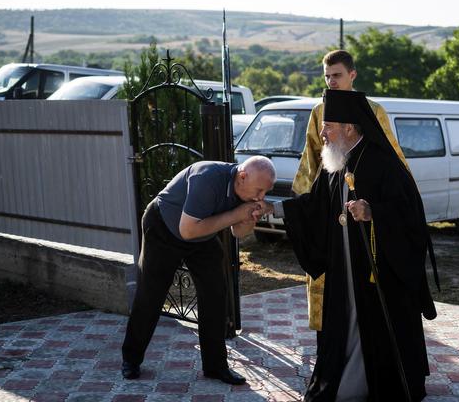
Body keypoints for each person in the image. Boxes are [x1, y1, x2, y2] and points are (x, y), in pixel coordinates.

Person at [268, 89, 437, 401]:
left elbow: (411, 215)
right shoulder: (337, 163)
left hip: (379, 276)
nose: (322, 132)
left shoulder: (384, 164)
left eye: (328, 126)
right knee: (345, 323)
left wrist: (373, 212)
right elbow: (314, 206)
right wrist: (276, 209)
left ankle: (377, 387)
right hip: (344, 270)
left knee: (379, 333)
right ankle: (346, 382)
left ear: (348, 127)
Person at [121, 156, 276, 385]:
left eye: (265, 192)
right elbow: (187, 231)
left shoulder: (244, 189)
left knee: (215, 294)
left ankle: (215, 366)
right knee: (151, 294)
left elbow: (238, 233)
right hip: (164, 227)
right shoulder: (207, 178)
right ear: (242, 177)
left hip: (202, 234)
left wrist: (251, 214)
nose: (261, 196)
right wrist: (237, 213)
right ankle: (131, 359)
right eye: (259, 190)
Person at [292, 49, 409, 332]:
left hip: (359, 204)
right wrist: (306, 203)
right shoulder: (318, 111)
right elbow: (311, 158)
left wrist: (402, 199)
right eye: (327, 76)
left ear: (352, 75)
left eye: (337, 75)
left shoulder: (373, 110)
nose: (332, 81)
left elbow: (391, 156)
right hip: (328, 203)